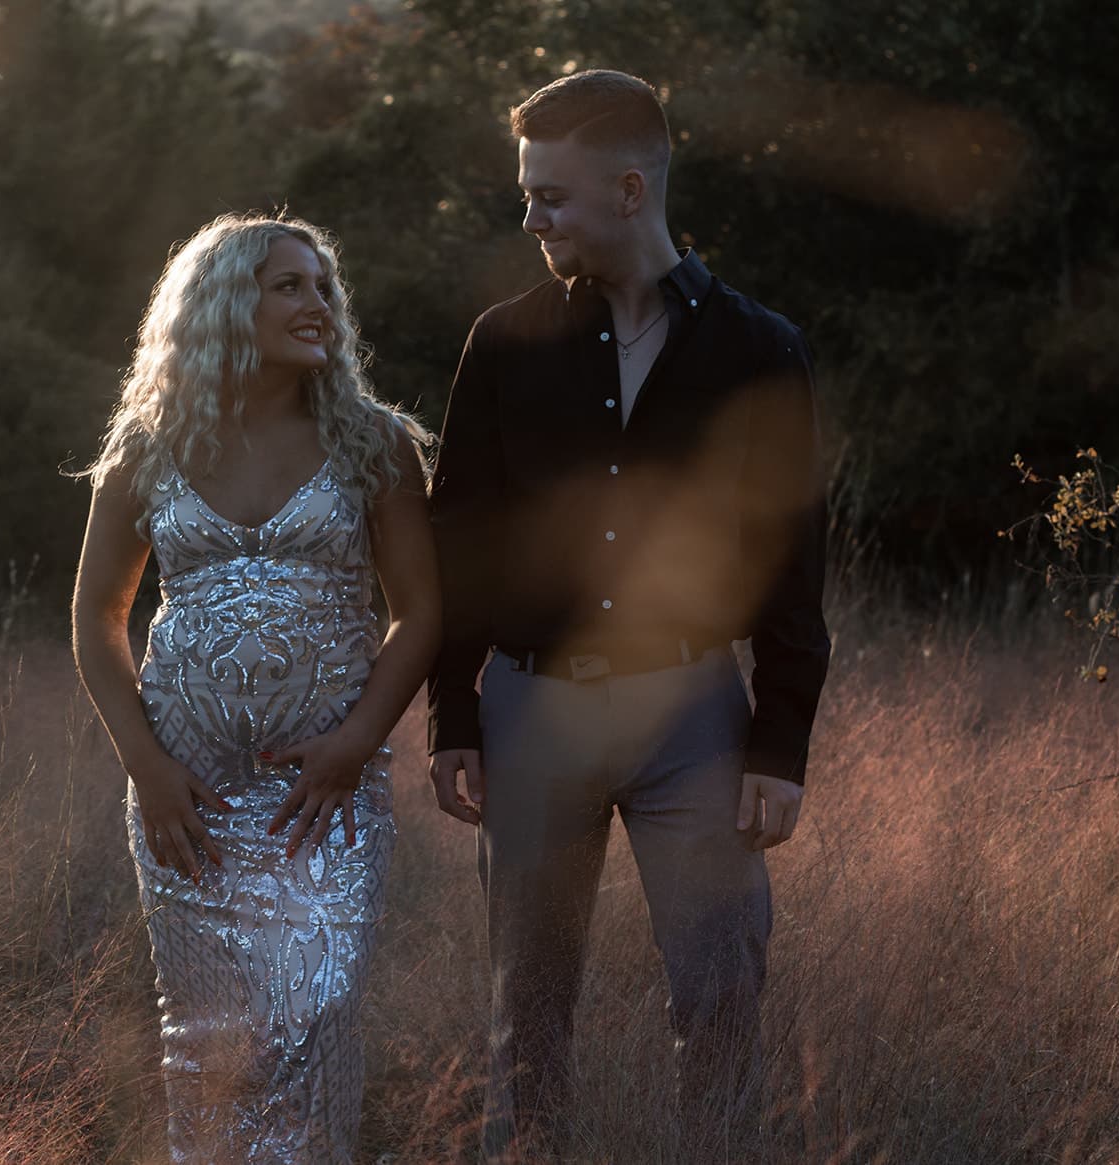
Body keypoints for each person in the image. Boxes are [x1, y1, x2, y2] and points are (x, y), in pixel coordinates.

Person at [425, 70, 830, 1160]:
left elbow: (796, 560)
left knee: (721, 1001)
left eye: (547, 197)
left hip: (693, 715)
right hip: (529, 715)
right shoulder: (501, 342)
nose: (530, 219)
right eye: (525, 195)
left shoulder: (759, 349)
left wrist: (780, 738)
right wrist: (453, 717)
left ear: (627, 187)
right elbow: (457, 537)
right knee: (527, 1015)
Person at [72, 213, 439, 1163]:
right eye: (290, 286)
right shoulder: (148, 446)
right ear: (227, 303)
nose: (319, 304)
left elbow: (424, 613)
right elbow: (97, 618)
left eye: (323, 287)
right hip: (184, 799)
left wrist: (359, 740)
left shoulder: (375, 443)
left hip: (323, 800)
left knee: (310, 1022)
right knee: (208, 1049)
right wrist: (147, 767)